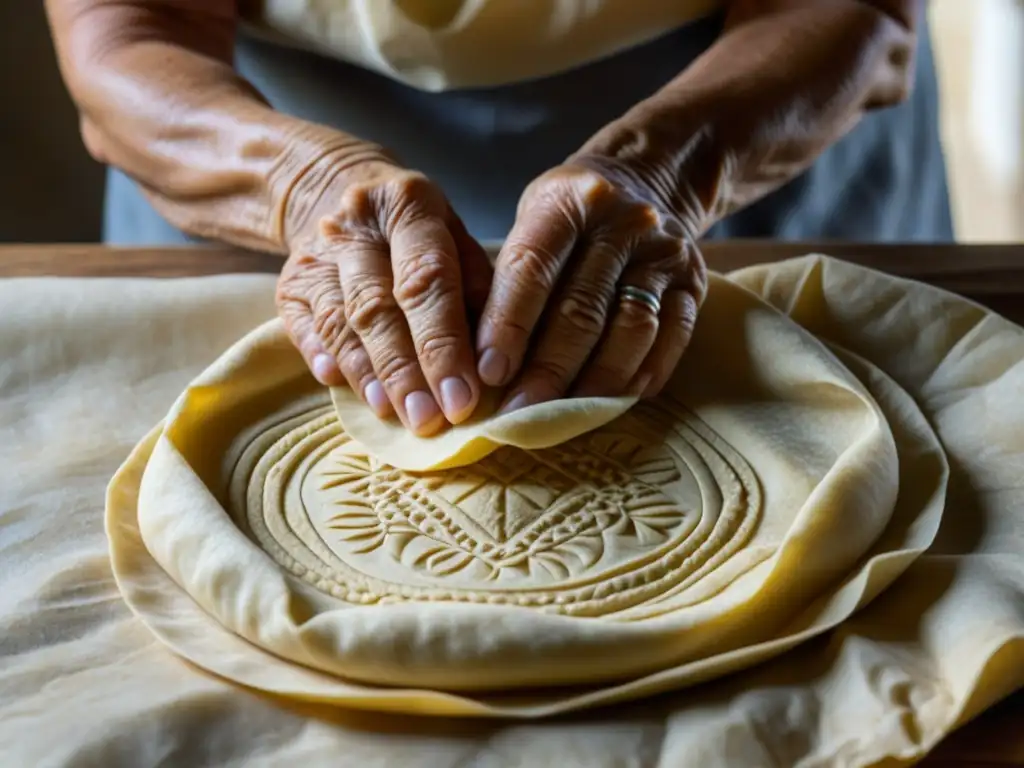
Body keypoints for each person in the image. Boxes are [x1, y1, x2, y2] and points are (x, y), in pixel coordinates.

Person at [46, 0, 952, 437]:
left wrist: (662, 175)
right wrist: (305, 180)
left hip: (750, 112)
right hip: (237, 138)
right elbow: (128, 31)